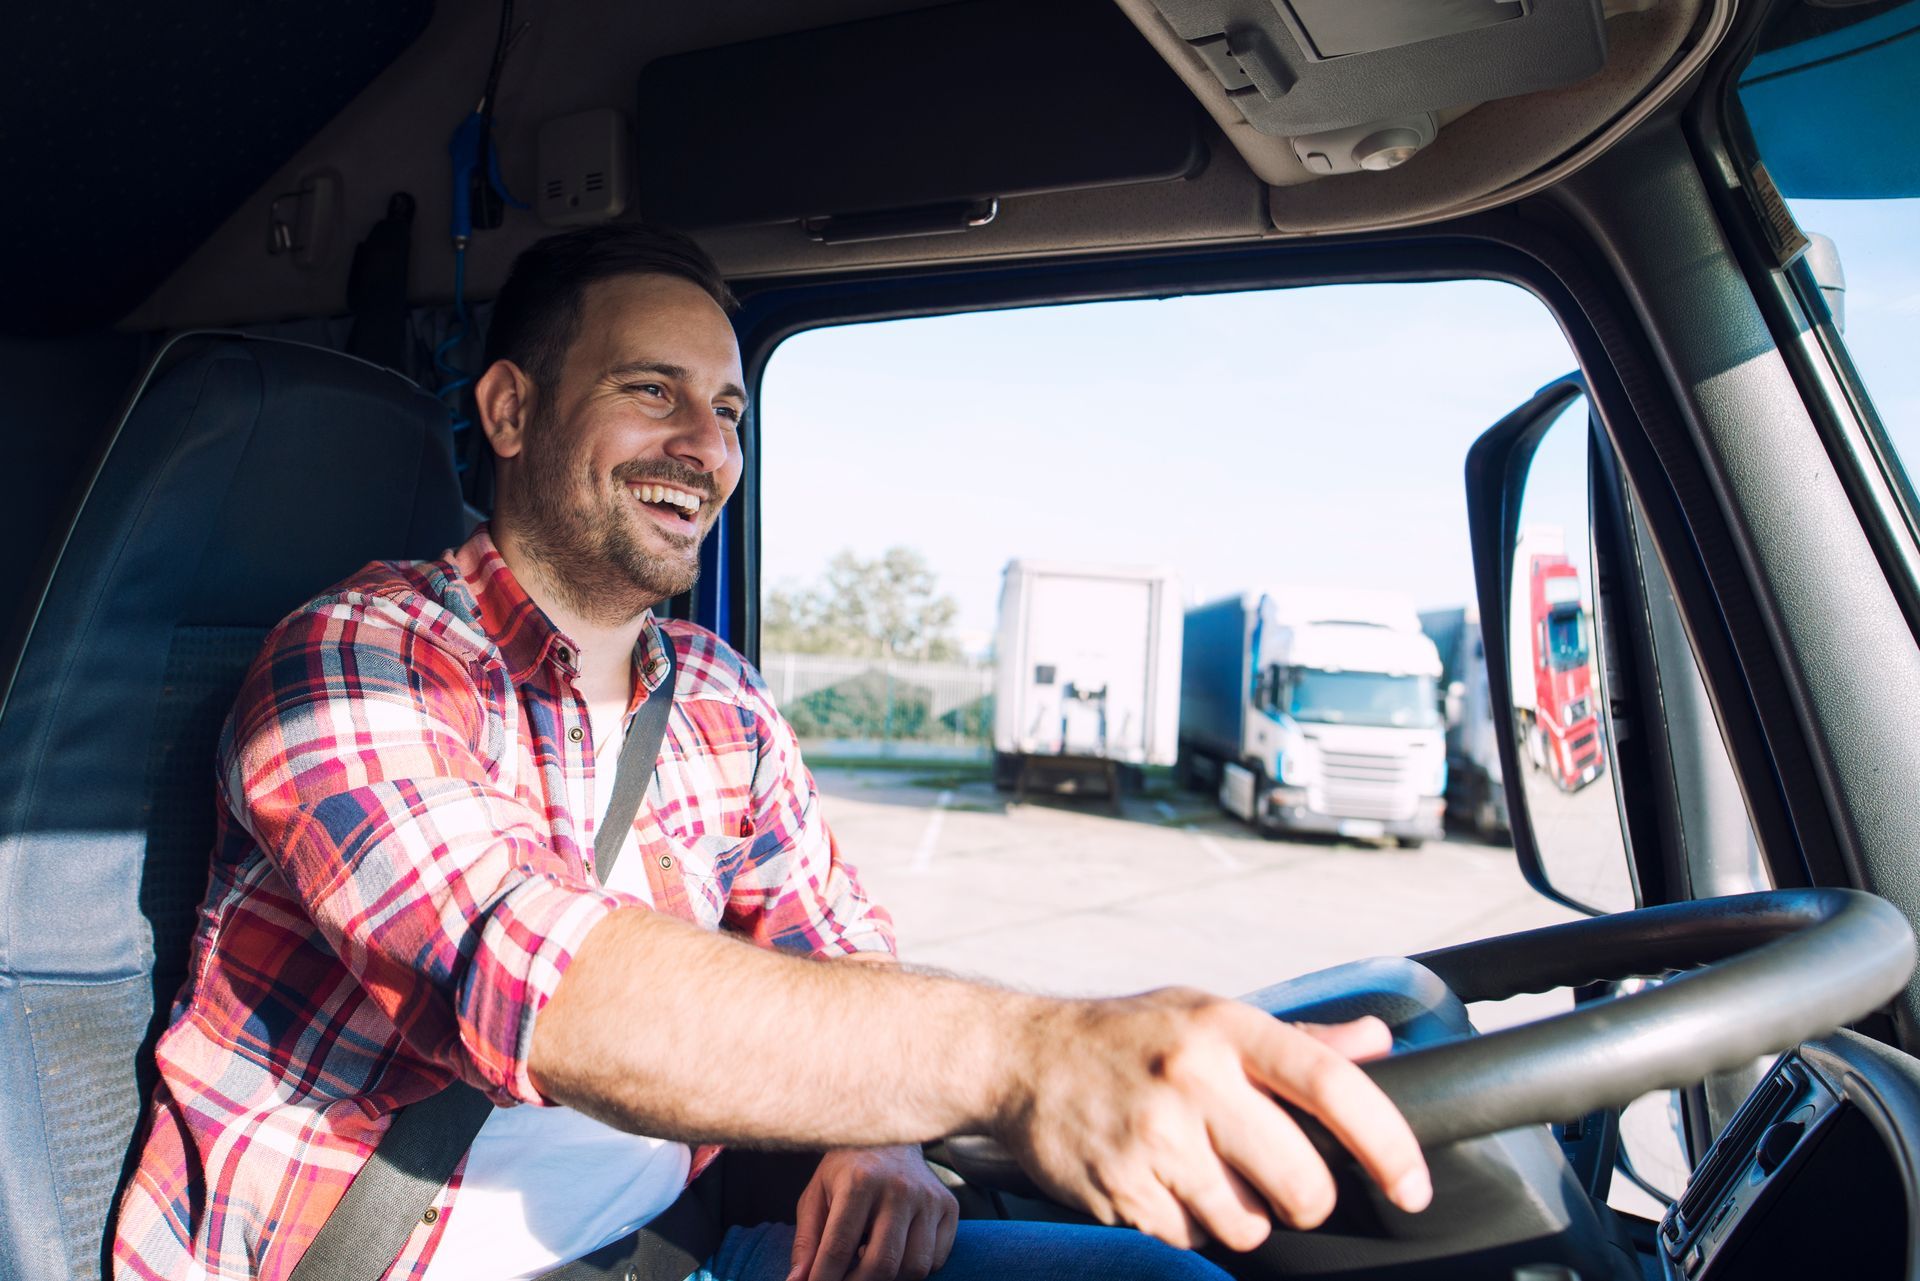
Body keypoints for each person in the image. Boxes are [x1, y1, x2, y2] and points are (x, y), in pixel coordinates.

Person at [113, 223, 1430, 1281]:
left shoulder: (720, 702)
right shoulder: (358, 654)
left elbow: (833, 940)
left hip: (682, 1253)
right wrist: (1029, 1055)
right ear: (512, 409)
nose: (708, 449)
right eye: (652, 393)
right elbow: (535, 979)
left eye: (731, 410)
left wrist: (885, 1138)